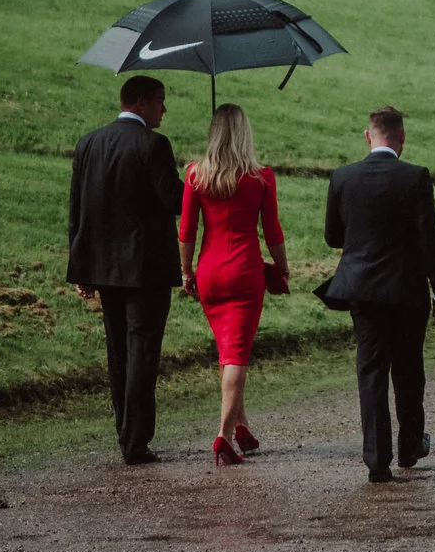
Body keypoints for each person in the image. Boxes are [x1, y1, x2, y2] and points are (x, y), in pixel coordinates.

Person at [324, 105, 435, 483]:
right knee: (409, 368)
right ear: (402, 138)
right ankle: (410, 446)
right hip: (406, 289)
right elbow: (430, 237)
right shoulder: (415, 177)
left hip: (361, 289)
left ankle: (377, 458)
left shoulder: (343, 177)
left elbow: (333, 236)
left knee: (371, 370)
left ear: (368, 136)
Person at [66, 74, 181, 465]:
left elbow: (76, 209)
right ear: (141, 102)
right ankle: (136, 439)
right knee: (143, 351)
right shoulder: (153, 144)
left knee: (118, 352)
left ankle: (125, 434)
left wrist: (80, 266)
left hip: (102, 266)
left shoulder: (89, 142)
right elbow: (175, 201)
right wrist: (198, 175)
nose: (165, 109)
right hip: (146, 267)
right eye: (161, 101)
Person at [179, 103, 288, 466]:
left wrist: (186, 271)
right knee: (237, 353)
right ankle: (223, 435)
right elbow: (271, 231)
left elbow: (187, 231)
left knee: (227, 349)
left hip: (210, 270)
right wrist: (283, 268)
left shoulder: (196, 175)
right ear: (245, 134)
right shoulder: (260, 178)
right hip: (244, 271)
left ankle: (242, 425)